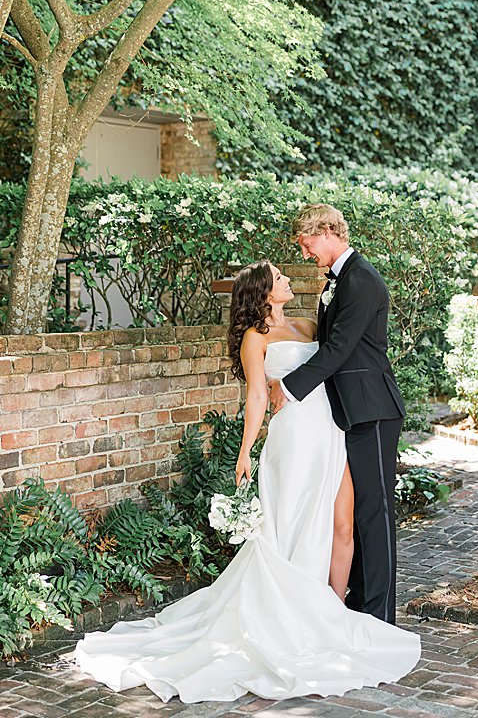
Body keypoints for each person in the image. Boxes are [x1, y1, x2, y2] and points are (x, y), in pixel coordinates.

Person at [73, 259, 420, 703]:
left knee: (343, 524)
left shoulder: (310, 324)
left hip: (331, 431)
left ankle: (332, 614)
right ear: (264, 292)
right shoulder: (255, 339)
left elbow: (337, 360)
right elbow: (257, 394)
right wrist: (245, 450)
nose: (289, 280)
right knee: (290, 526)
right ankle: (294, 617)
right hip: (293, 438)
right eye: (280, 278)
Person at [267, 203, 407, 623]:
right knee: (360, 508)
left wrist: (289, 388)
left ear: (328, 230)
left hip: (373, 408)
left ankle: (380, 617)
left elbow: (338, 349)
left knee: (375, 512)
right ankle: (361, 603)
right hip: (348, 410)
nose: (307, 254)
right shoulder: (339, 279)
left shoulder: (361, 280)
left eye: (308, 244)